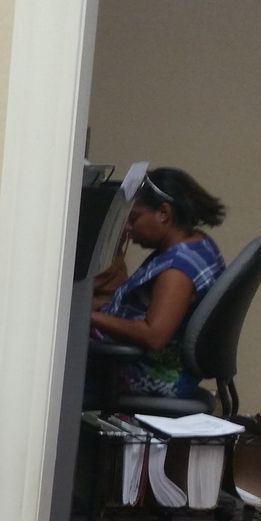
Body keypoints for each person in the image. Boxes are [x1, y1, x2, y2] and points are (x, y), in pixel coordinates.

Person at [90, 167, 228, 399]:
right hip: (147, 363)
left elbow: (154, 336)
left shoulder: (178, 269)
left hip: (150, 374)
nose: (127, 227)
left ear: (164, 213)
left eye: (134, 218)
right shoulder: (196, 242)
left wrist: (89, 317)